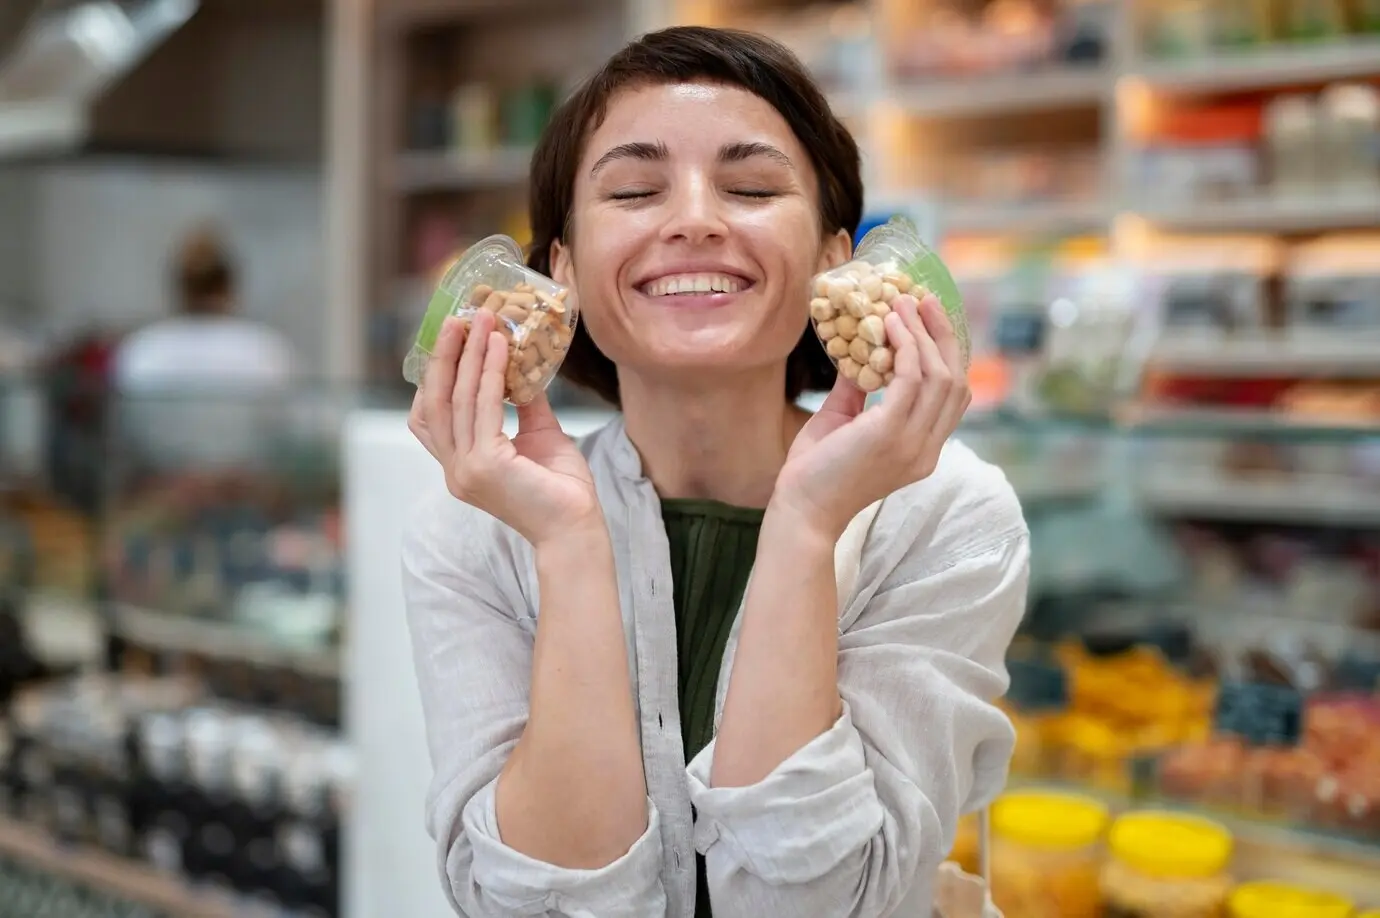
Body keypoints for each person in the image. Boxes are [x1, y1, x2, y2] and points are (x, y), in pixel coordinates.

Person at [402, 26, 1028, 918]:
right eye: (632, 189)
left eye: (751, 187)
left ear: (832, 260)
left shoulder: (945, 514)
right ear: (563, 275)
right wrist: (570, 546)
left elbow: (820, 903)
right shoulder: (475, 529)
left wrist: (809, 524)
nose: (694, 218)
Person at [112, 226, 296, 470]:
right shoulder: (266, 348)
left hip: (170, 486)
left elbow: (130, 430)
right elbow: (287, 429)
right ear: (229, 286)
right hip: (237, 485)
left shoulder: (143, 349)